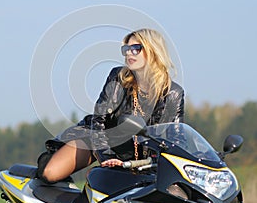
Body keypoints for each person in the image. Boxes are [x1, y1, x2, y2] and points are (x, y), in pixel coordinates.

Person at [40, 28, 184, 183]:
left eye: (136, 48)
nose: (129, 53)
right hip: (99, 140)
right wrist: (107, 156)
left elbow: (173, 139)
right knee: (49, 173)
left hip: (139, 156)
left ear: (154, 50)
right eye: (126, 49)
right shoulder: (118, 77)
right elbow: (98, 120)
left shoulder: (173, 93)